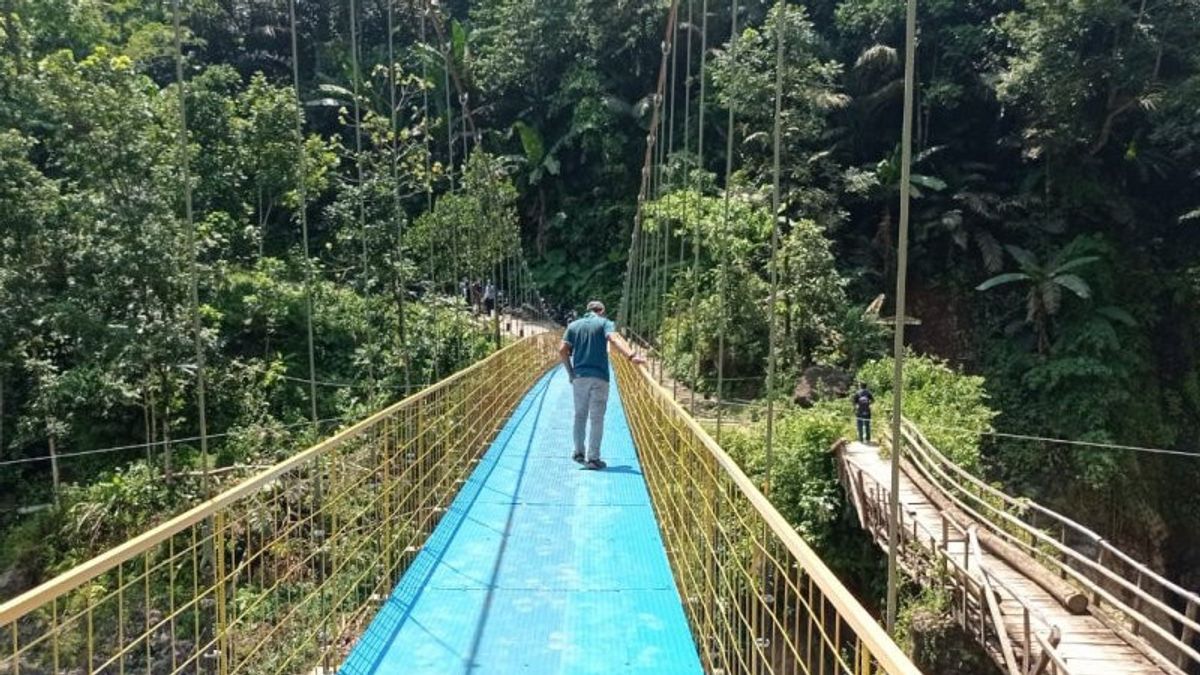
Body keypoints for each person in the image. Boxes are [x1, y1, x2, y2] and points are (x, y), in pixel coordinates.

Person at [560, 300, 645, 470]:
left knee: (579, 415)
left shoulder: (574, 326)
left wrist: (571, 373)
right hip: (600, 377)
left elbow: (562, 350)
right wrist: (631, 356)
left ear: (587, 310)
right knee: (596, 418)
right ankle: (593, 458)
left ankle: (578, 452)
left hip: (579, 377)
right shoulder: (605, 323)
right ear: (602, 311)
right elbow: (614, 338)